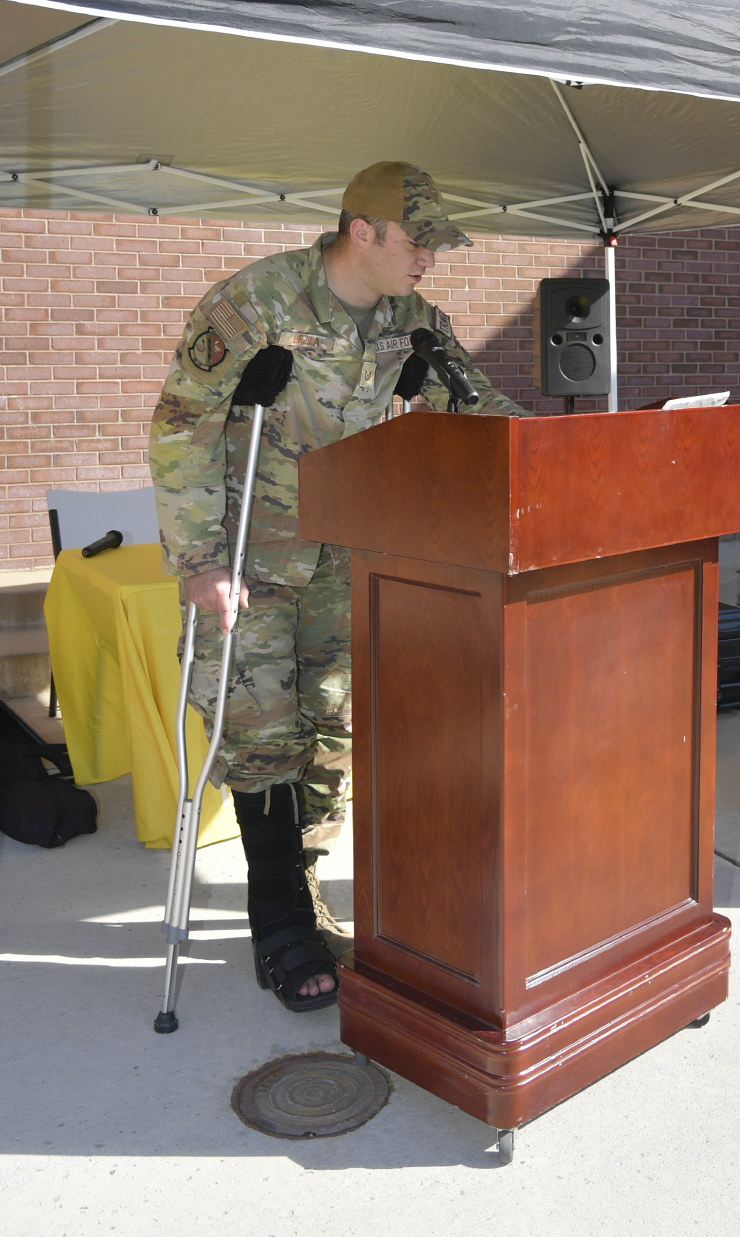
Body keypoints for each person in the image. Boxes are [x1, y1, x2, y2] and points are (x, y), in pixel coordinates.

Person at [149, 161, 524, 1012]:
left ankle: (307, 884)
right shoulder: (257, 303)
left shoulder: (413, 320)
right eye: (418, 241)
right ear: (364, 232)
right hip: (253, 558)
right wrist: (201, 559)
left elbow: (483, 402)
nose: (430, 259)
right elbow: (181, 425)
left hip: (346, 554)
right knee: (258, 728)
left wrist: (573, 449)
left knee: (329, 726)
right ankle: (278, 920)